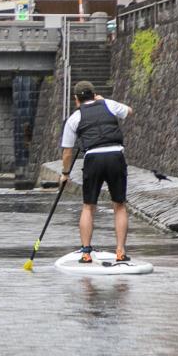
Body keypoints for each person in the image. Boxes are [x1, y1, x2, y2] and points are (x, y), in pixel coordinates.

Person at [58, 80, 134, 264]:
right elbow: (128, 111)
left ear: (76, 99)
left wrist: (65, 173)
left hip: (93, 159)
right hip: (116, 156)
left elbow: (67, 151)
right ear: (94, 94)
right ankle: (120, 252)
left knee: (88, 206)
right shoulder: (108, 104)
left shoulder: (74, 118)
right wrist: (103, 99)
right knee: (119, 205)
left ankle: (86, 252)